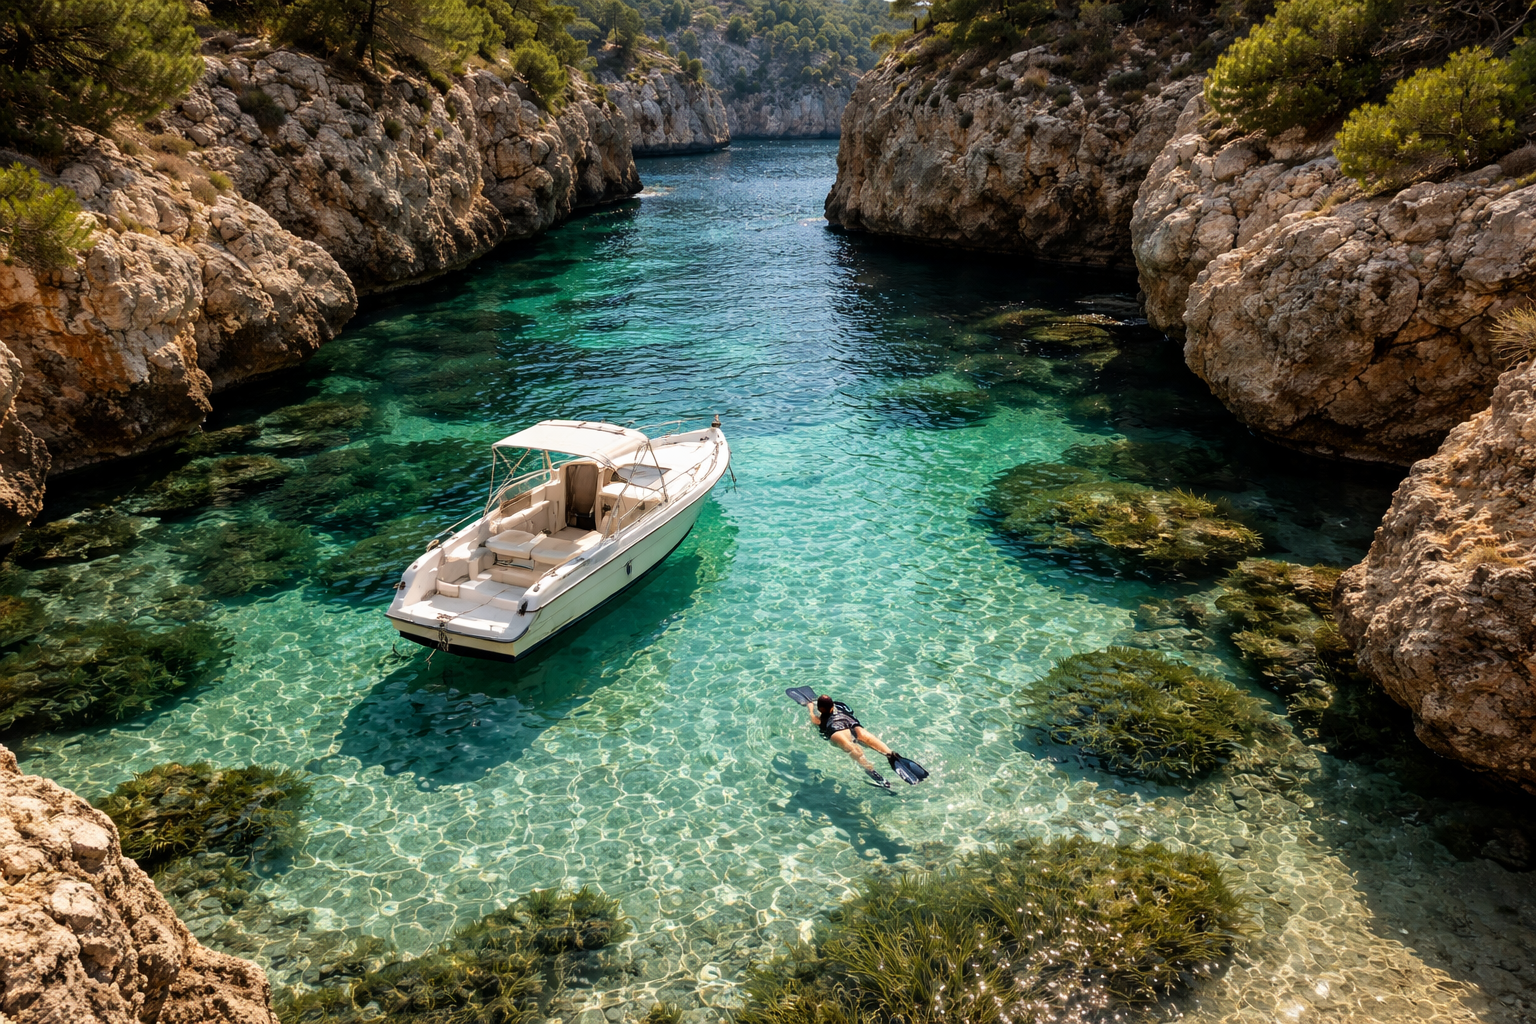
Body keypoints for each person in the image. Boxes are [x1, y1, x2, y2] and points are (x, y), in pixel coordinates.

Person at [808, 694, 927, 789]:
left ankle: (874, 774)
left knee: (853, 749)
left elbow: (814, 719)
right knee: (865, 737)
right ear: (833, 706)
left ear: (820, 709)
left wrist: (810, 708)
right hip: (849, 721)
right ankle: (892, 756)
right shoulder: (840, 707)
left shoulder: (819, 718)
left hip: (836, 730)